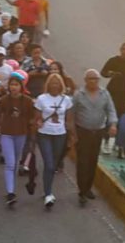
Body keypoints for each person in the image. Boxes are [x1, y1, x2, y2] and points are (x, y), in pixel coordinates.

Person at [71, 69, 118, 205]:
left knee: (93, 161)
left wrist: (113, 124)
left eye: (96, 79)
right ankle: (82, 190)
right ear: (86, 80)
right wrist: (72, 133)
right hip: (82, 132)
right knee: (83, 162)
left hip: (98, 132)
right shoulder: (79, 94)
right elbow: (71, 114)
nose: (93, 81)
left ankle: (88, 187)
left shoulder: (105, 94)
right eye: (90, 79)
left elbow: (111, 110)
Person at [0, 75, 33, 205]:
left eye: (16, 84)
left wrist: (32, 135)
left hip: (21, 134)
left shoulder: (27, 101)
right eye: (11, 84)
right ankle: (10, 192)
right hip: (6, 134)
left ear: (21, 86)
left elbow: (31, 119)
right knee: (10, 163)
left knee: (15, 162)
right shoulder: (3, 100)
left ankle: (12, 188)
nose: (13, 87)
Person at [34, 73, 74, 208]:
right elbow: (37, 117)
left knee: (53, 165)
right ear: (48, 84)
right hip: (44, 134)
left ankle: (47, 187)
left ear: (61, 85)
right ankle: (48, 194)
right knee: (49, 164)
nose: (55, 85)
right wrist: (38, 122)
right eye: (52, 82)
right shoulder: (41, 99)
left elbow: (69, 120)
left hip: (60, 134)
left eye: (57, 83)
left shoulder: (66, 100)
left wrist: (72, 136)